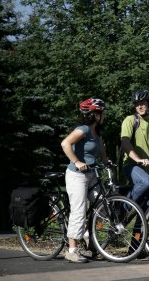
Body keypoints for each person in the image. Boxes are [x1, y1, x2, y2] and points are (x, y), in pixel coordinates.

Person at [61, 98, 109, 263]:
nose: (104, 116)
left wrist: (106, 162)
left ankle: (88, 235)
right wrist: (77, 162)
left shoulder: (97, 131)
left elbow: (101, 148)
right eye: (102, 112)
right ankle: (72, 250)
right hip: (77, 175)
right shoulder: (83, 130)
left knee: (102, 205)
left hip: (91, 174)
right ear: (95, 115)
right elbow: (65, 143)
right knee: (79, 211)